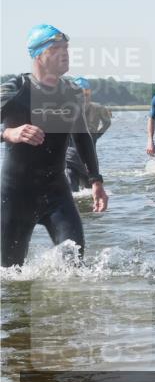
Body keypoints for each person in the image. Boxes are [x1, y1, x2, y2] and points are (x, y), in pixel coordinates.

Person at [1, 24, 108, 267]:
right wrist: (9, 132)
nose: (65, 53)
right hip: (16, 195)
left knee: (75, 264)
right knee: (11, 275)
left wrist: (96, 181)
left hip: (56, 193)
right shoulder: (14, 89)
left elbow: (82, 137)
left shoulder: (71, 91)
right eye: (57, 48)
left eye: (66, 47)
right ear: (38, 55)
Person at [65, 76, 112, 191]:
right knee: (72, 182)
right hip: (71, 153)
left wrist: (97, 135)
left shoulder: (98, 107)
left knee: (90, 184)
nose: (83, 96)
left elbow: (107, 122)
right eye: (80, 92)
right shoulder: (67, 108)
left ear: (89, 92)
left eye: (85, 93)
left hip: (89, 150)